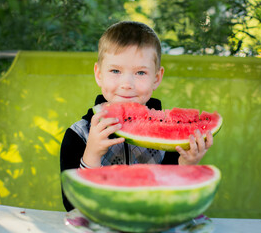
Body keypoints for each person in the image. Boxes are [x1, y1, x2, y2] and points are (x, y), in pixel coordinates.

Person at [60, 21, 214, 211]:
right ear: (99, 74)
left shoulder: (171, 143)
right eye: (115, 71)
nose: (127, 84)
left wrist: (186, 163)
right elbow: (72, 206)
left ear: (156, 78)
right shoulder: (77, 136)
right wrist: (91, 156)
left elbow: (172, 202)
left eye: (140, 72)